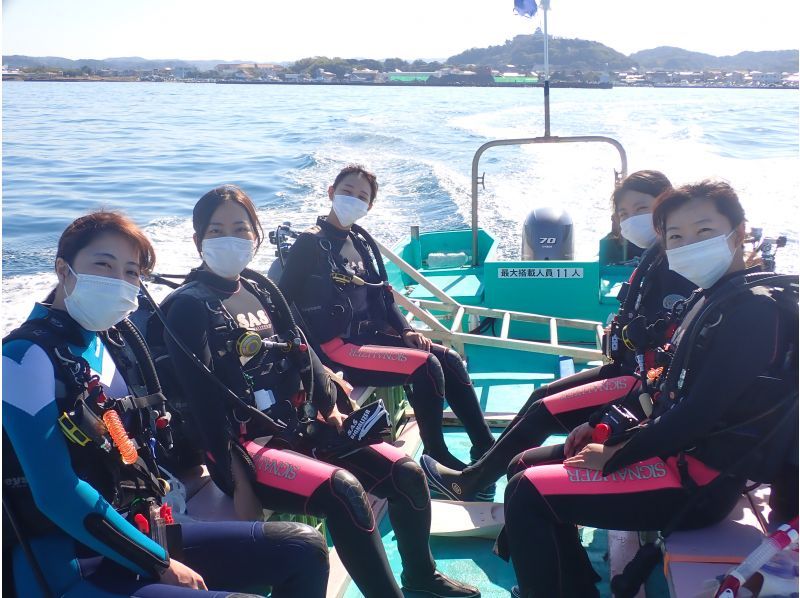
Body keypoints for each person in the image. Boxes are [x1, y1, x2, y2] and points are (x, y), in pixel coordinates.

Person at [158, 185, 480, 598]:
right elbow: (199, 398)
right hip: (245, 446)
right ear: (197, 239)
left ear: (255, 237)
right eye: (216, 229)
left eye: (240, 228)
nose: (230, 238)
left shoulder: (259, 288)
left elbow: (300, 348)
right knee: (343, 491)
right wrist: (229, 472)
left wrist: (332, 404)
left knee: (406, 474)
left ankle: (421, 577)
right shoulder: (189, 306)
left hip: (298, 425)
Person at [2, 211, 330, 598]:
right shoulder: (22, 359)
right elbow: (57, 494)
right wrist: (158, 562)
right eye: (103, 264)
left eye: (130, 272)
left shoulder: (106, 339)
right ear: (63, 268)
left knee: (303, 548)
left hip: (136, 532)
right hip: (73, 564)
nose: (118, 281)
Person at [500, 181, 798, 597]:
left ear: (739, 231)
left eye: (704, 232)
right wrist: (603, 426)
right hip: (675, 452)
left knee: (527, 492)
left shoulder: (754, 312)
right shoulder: (712, 298)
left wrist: (618, 454)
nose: (689, 244)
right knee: (523, 464)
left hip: (701, 482)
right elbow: (664, 388)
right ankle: (575, 584)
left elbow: (699, 415)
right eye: (676, 236)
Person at [422, 170, 696, 501]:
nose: (631, 220)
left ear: (666, 205)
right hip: (627, 370)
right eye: (623, 214)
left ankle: (468, 484)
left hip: (641, 384)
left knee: (541, 414)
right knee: (541, 396)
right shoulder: (654, 256)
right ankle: (482, 470)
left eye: (641, 209)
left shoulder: (681, 265)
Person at [277, 164, 495, 480]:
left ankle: (485, 448)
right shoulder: (310, 244)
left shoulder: (361, 243)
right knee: (426, 366)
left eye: (361, 196)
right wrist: (305, 361)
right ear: (331, 193)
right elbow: (281, 301)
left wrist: (405, 329)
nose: (353, 199)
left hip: (370, 338)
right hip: (337, 348)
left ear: (369, 206)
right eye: (346, 192)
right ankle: (436, 459)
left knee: (448, 359)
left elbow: (383, 296)